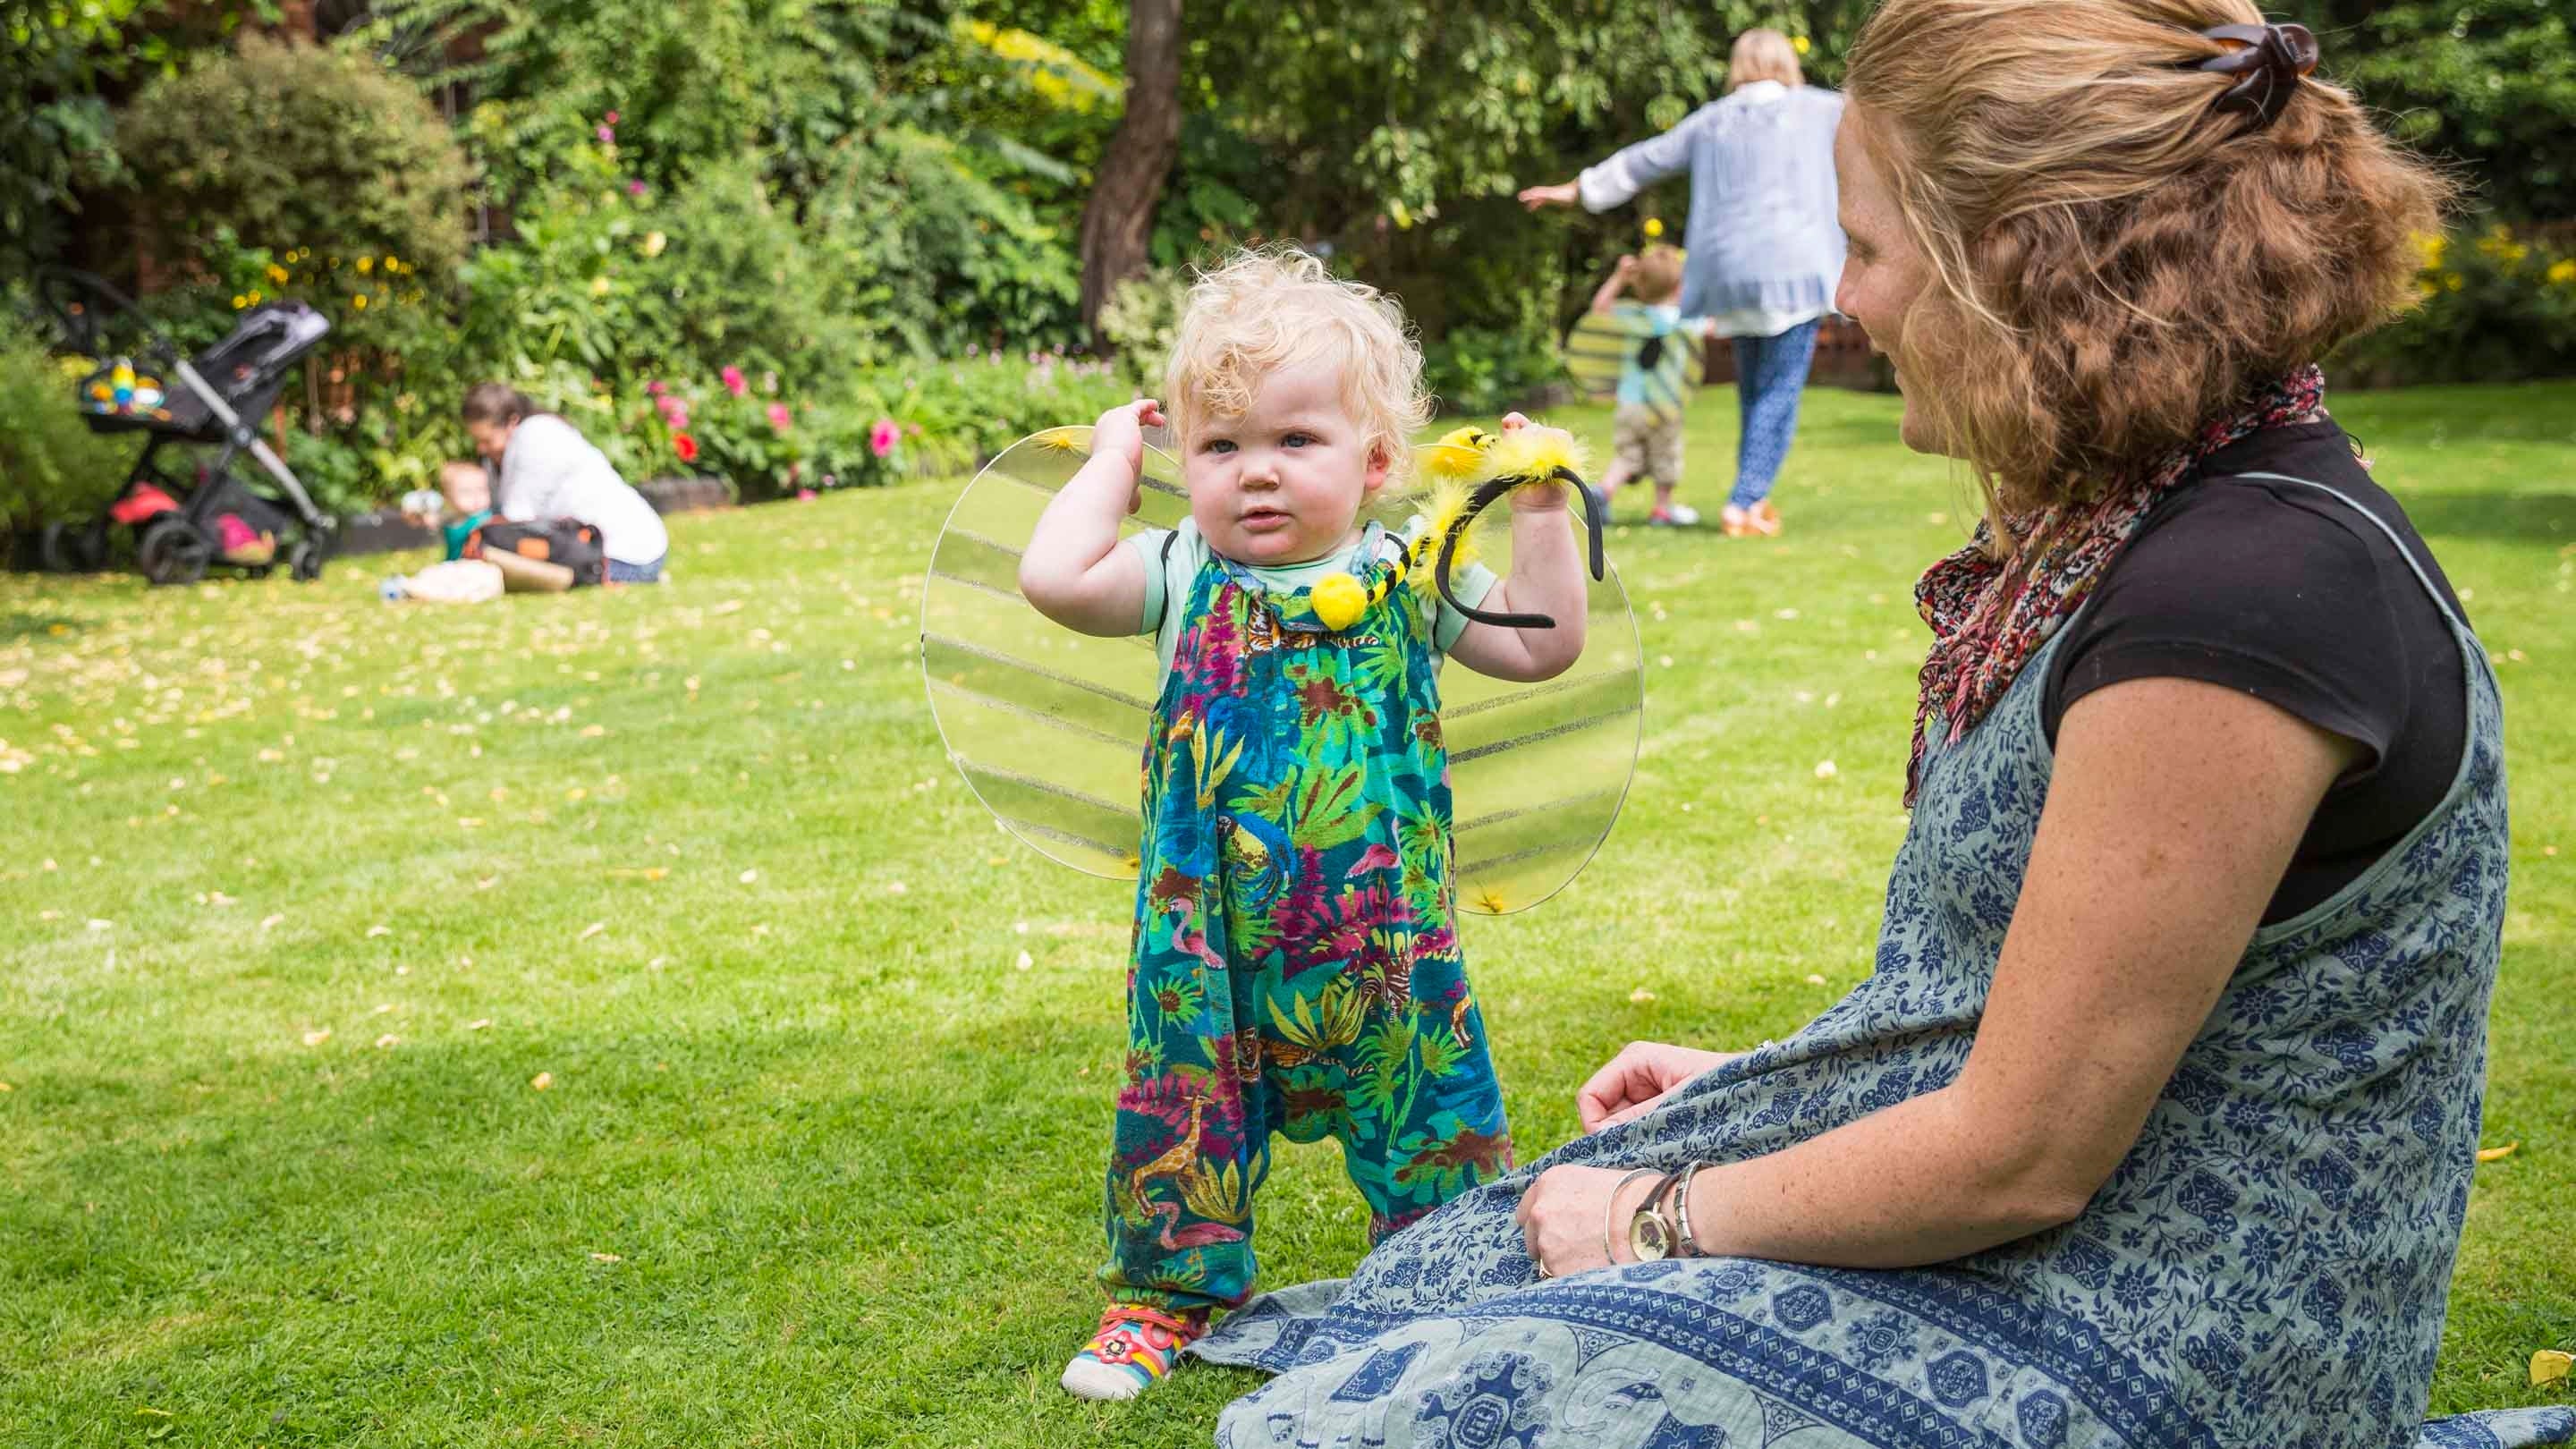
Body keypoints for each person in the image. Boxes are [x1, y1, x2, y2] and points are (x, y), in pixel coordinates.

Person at [1187, 6, 2550, 1448]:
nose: (1847, 301)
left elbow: (2023, 1157)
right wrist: (1772, 1090)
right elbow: (2062, 1015)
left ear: (2029, 267)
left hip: (2174, 1332)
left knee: (1450, 1403)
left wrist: (1659, 1217)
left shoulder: (2242, 601)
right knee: (1458, 1276)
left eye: (1871, 248)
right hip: (2084, 1229)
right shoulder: (2154, 522)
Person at [1016, 248, 1591, 1402]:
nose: (1255, 476)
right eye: (1221, 447)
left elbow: (1541, 642)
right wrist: (1113, 464)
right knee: (1183, 1110)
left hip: (1386, 939)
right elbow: (1052, 577)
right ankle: (1169, 1297)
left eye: (1295, 442)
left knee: (1427, 1105)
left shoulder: (1410, 573)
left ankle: (1441, 1269)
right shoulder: (1178, 569)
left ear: (1377, 461)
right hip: (1212, 950)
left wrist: (1538, 509)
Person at [1521, 27, 1844, 538]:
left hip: (1727, 274)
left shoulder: (1713, 121)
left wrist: (1578, 189)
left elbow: (1646, 159)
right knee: (1777, 392)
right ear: (1788, 63)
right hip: (1793, 270)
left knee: (1754, 390)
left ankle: (1751, 495)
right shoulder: (1823, 109)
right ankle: (1745, 500)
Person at [458, 383, 670, 583]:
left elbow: (514, 521)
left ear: (512, 422)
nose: (481, 449)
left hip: (625, 556)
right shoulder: (503, 453)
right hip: (596, 549)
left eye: (486, 440)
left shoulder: (536, 437)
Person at [1586, 245, 1716, 527]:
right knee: (1665, 456)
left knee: (1627, 455)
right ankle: (1661, 509)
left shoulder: (1633, 317)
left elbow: (1599, 309)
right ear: (1679, 287)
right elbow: (1714, 325)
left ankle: (1603, 492)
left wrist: (1619, 278)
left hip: (1629, 403)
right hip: (1664, 406)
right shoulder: (1684, 320)